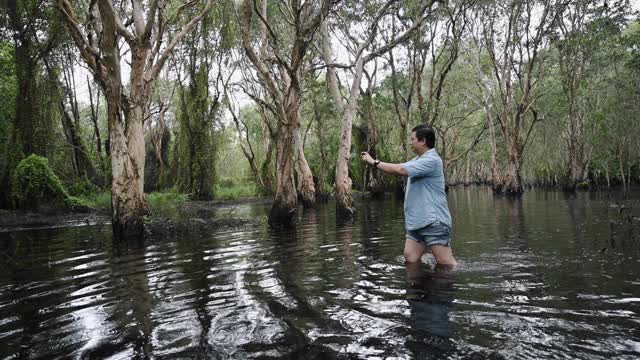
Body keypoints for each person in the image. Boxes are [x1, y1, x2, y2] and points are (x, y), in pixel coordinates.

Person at [360, 124, 457, 267]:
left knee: (445, 262)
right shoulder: (417, 160)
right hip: (417, 221)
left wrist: (374, 162)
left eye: (412, 139)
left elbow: (400, 169)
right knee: (410, 258)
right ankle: (422, 287)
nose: (410, 142)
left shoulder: (432, 160)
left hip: (433, 221)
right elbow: (400, 166)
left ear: (422, 141)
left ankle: (448, 286)